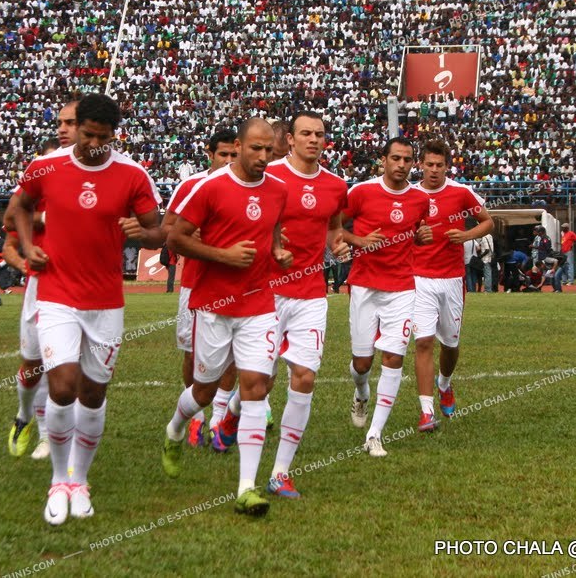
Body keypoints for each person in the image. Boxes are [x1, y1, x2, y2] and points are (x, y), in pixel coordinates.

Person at [13, 93, 163, 525]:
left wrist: (143, 233)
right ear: (74, 126)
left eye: (103, 137)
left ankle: (80, 479)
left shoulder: (133, 175)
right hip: (57, 294)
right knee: (62, 387)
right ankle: (59, 480)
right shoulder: (46, 167)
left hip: (106, 302)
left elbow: (159, 232)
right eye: (87, 134)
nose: (94, 143)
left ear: (114, 135)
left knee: (93, 394)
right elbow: (20, 207)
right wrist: (27, 247)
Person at [160, 117, 292, 517]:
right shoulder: (210, 188)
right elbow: (175, 238)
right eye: (256, 148)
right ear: (239, 145)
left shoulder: (278, 191)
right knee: (204, 390)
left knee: (256, 387)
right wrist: (224, 256)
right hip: (214, 305)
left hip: (258, 305)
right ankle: (174, 429)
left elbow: (271, 237)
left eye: (269, 150)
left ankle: (246, 488)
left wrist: (278, 254)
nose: (263, 156)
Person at [259, 111, 348, 497]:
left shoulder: (335, 185)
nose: (313, 139)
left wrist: (338, 244)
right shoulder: (269, 176)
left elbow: (334, 227)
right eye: (305, 134)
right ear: (290, 140)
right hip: (266, 291)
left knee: (306, 376)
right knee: (259, 380)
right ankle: (228, 415)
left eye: (320, 134)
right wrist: (273, 247)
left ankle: (280, 472)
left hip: (311, 292)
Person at [342, 137, 429, 457]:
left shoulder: (420, 200)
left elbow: (417, 236)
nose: (402, 165)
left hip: (402, 288)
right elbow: (336, 227)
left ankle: (375, 434)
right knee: (362, 363)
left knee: (393, 358)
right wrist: (358, 240)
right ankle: (361, 392)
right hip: (364, 285)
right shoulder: (361, 192)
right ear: (384, 160)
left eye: (407, 159)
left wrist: (422, 237)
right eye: (396, 158)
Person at [5, 101, 77, 464]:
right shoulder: (42, 172)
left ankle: (52, 437)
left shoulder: (106, 171)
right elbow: (12, 215)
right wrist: (43, 226)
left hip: (80, 288)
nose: (63, 128)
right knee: (32, 366)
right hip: (42, 282)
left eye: (71, 123)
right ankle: (23, 415)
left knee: (64, 369)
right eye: (60, 122)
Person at [162, 128, 238, 449]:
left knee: (231, 357)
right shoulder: (191, 186)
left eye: (234, 155)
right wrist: (188, 238)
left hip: (237, 286)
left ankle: (220, 418)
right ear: (209, 153)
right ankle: (196, 418)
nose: (230, 161)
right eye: (223, 155)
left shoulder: (249, 188)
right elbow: (166, 226)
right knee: (194, 356)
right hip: (196, 285)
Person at [412, 139, 493, 431]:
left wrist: (467, 234)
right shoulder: (410, 194)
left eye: (440, 165)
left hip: (452, 279)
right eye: (429, 164)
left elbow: (487, 221)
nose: (434, 170)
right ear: (420, 164)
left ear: (448, 166)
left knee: (451, 344)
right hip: (419, 279)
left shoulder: (461, 192)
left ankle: (444, 383)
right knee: (423, 342)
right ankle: (426, 411)